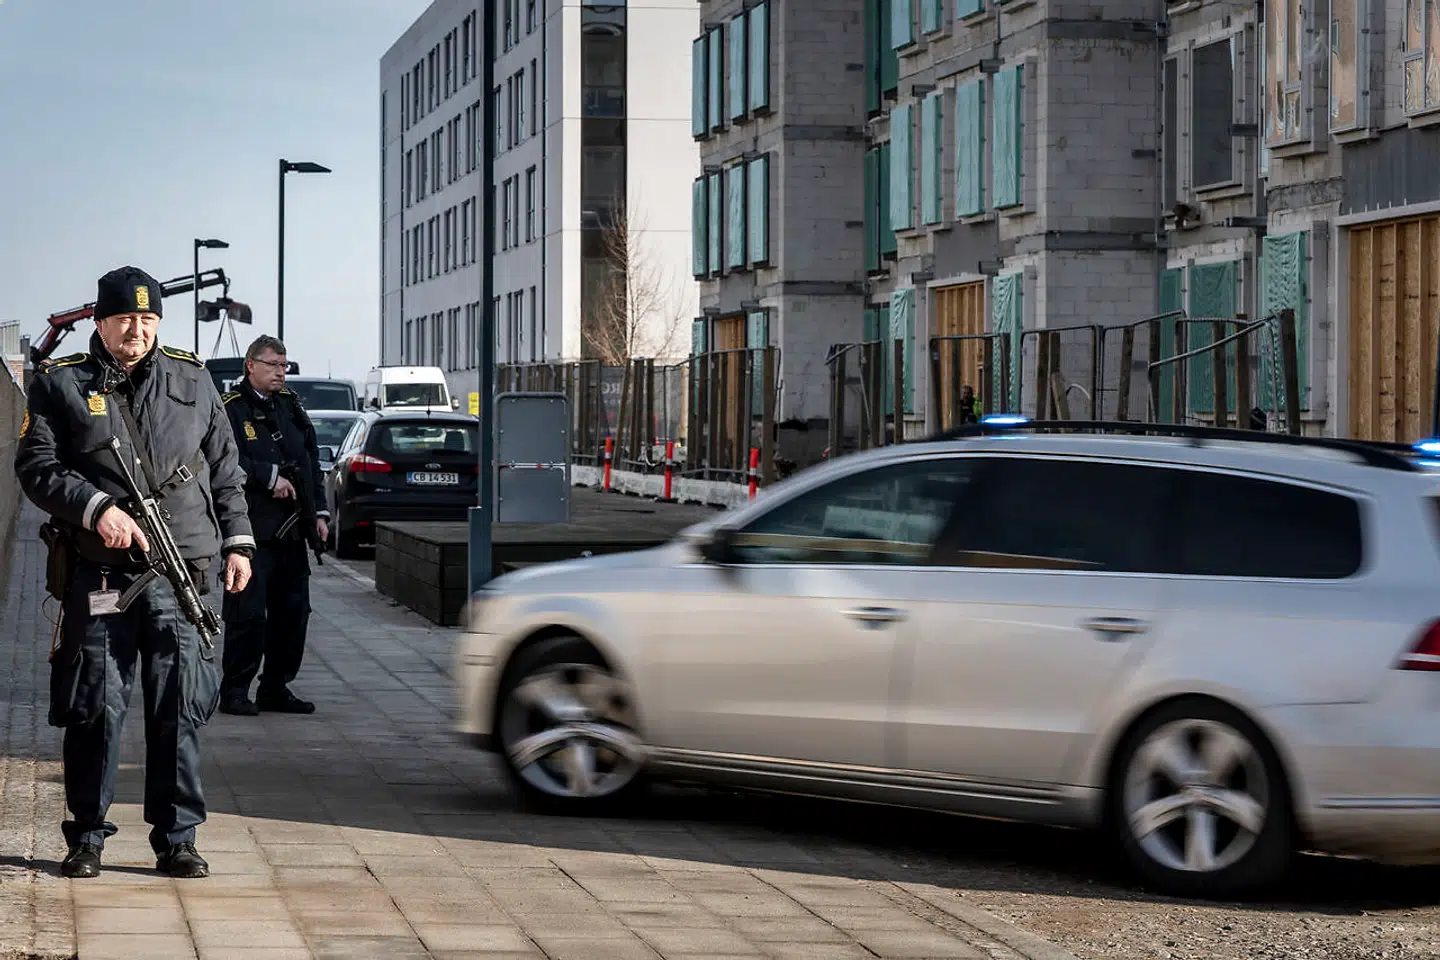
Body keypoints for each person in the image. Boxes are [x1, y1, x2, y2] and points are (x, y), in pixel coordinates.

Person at [14, 266, 256, 880]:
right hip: (103, 575)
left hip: (182, 573)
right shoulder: (62, 383)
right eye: (125, 319)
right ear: (99, 322)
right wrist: (96, 509)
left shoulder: (193, 378)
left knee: (179, 707)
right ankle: (86, 837)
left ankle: (177, 839)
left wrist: (239, 543)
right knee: (95, 705)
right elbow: (37, 467)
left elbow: (226, 468)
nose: (137, 330)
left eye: (148, 319)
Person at [218, 335, 329, 717]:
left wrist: (320, 513)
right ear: (251, 365)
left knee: (293, 614)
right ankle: (235, 690)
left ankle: (276, 687)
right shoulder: (232, 409)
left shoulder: (290, 407)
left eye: (284, 366)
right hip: (251, 530)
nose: (280, 372)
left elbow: (311, 462)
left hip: (292, 530)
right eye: (272, 365)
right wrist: (267, 477)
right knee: (248, 614)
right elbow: (222, 460)